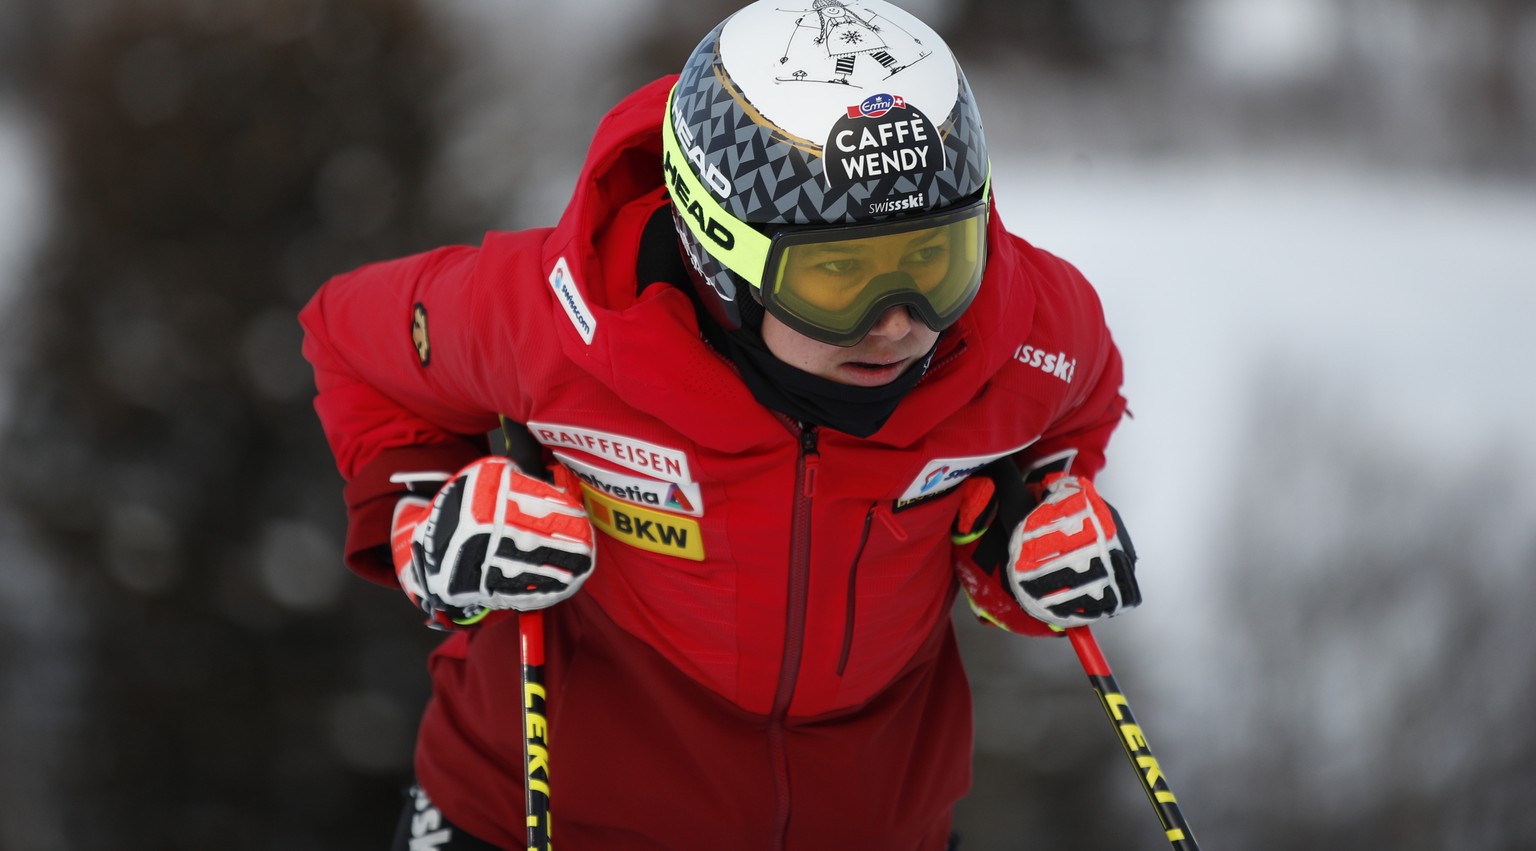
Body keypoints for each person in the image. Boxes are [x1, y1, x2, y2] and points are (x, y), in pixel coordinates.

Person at [300, 1, 1142, 848]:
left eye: (933, 260)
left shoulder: (1027, 333)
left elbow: (1077, 404)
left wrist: (1027, 525)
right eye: (838, 275)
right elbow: (350, 341)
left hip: (874, 828)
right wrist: (425, 524)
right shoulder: (557, 323)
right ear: (719, 248)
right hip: (539, 816)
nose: (897, 323)